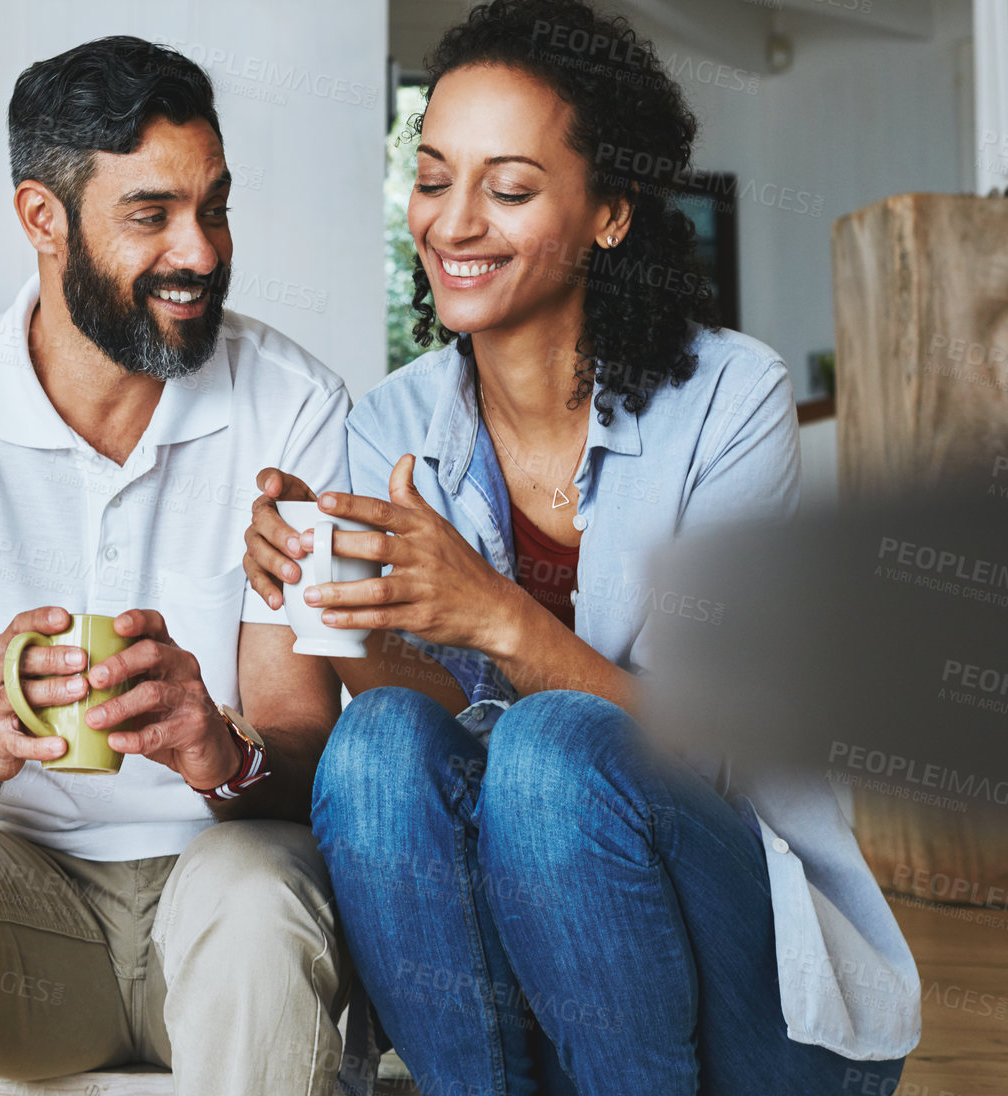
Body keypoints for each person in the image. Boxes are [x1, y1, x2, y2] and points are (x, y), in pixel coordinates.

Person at [241, 2, 919, 1093]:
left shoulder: (730, 399)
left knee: (555, 751)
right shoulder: (389, 426)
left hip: (761, 1015)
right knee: (377, 746)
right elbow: (410, 723)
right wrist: (332, 607)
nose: (452, 222)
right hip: (553, 996)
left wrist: (496, 612)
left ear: (609, 212)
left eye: (507, 189)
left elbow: (712, 751)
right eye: (430, 177)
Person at [0, 36, 352, 1096]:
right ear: (40, 219)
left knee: (263, 899)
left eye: (214, 207)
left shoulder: (295, 408)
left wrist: (215, 748)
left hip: (223, 893)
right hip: (27, 918)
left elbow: (307, 754)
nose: (199, 251)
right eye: (150, 215)